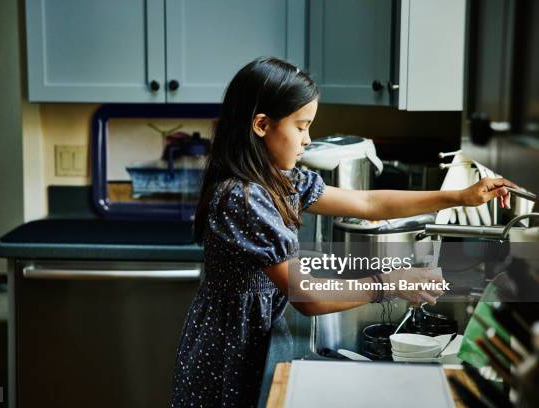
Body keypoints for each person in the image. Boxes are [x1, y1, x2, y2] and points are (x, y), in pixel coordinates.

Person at [171, 56, 516, 407]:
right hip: (230, 351)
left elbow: (367, 203)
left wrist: (459, 196)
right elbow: (307, 296)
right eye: (301, 126)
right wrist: (388, 284)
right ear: (261, 125)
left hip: (248, 338)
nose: (307, 140)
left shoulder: (279, 178)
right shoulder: (242, 197)